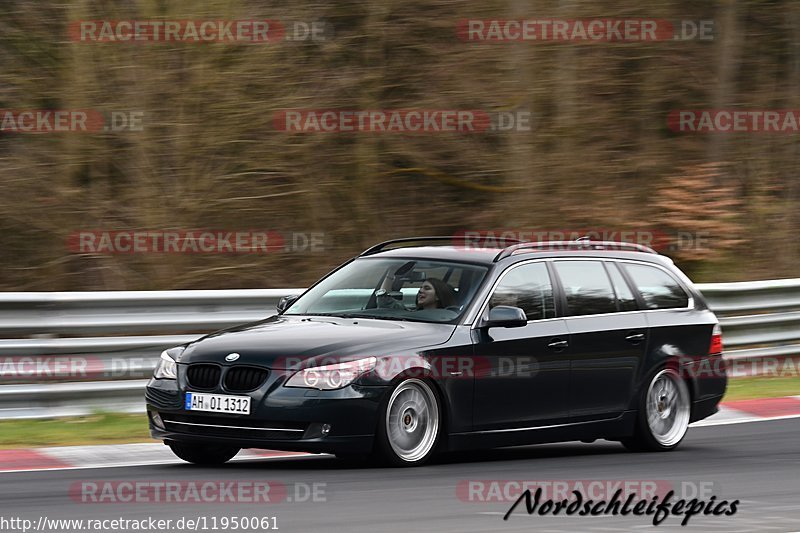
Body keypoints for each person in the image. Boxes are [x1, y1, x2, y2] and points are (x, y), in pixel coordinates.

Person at [377, 272, 457, 311]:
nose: (420, 290)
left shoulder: (450, 318)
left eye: (427, 288)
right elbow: (383, 300)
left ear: (438, 296)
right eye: (421, 288)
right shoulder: (410, 314)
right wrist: (391, 272)